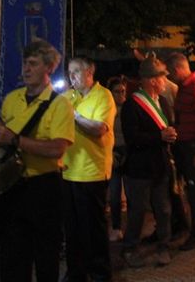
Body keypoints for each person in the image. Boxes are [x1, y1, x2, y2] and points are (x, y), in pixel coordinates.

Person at [0, 39, 76, 282]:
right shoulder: (11, 99)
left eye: (33, 64)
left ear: (48, 68)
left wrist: (15, 140)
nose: (26, 69)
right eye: (25, 63)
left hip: (44, 188)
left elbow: (57, 148)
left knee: (46, 257)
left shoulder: (60, 105)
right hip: (12, 187)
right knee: (12, 258)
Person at [62, 55, 116, 282]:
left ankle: (100, 273)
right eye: (69, 73)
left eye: (76, 71)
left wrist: (73, 116)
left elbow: (99, 129)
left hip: (92, 172)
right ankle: (76, 272)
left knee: (93, 227)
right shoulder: (68, 97)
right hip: (68, 171)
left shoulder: (103, 96)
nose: (72, 77)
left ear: (90, 71)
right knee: (72, 229)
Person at [121, 56, 176, 268]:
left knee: (163, 209)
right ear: (153, 80)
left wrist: (171, 134)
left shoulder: (163, 102)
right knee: (137, 211)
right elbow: (132, 137)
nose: (165, 82)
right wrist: (159, 136)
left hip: (160, 165)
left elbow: (169, 124)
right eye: (162, 78)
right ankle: (130, 249)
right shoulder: (132, 105)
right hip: (139, 168)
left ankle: (164, 246)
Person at [165, 53, 195, 251]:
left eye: (171, 72)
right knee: (186, 189)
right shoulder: (185, 87)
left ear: (177, 69)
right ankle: (186, 228)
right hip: (185, 144)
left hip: (194, 145)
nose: (170, 77)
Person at [106, 75, 128, 242]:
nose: (121, 95)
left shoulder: (129, 108)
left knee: (131, 192)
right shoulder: (107, 111)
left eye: (123, 91)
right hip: (113, 152)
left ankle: (131, 229)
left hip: (128, 152)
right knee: (114, 194)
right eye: (117, 91)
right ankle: (116, 226)